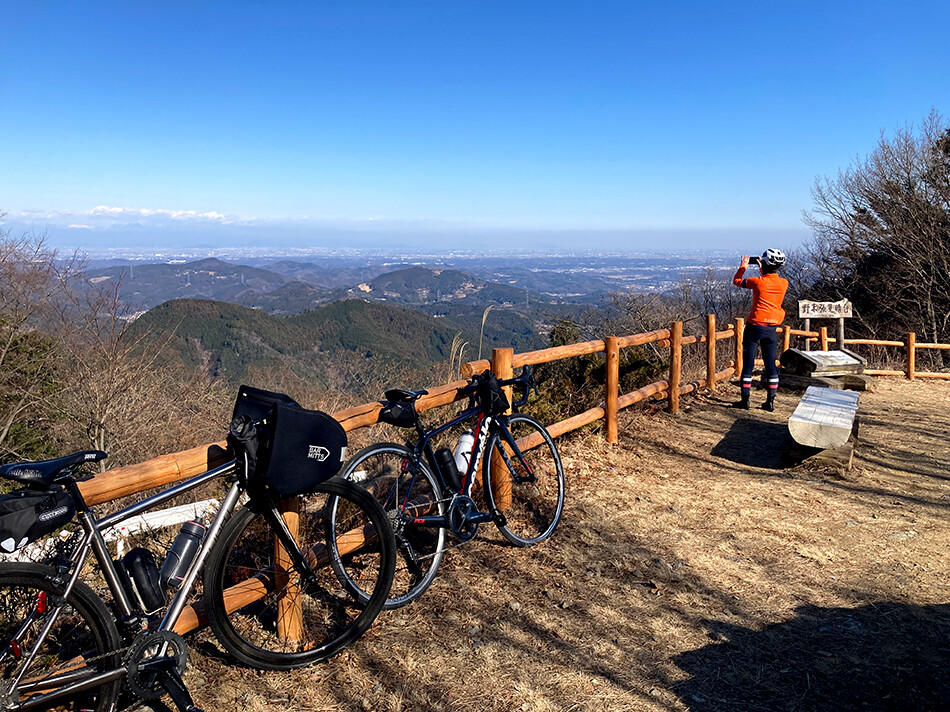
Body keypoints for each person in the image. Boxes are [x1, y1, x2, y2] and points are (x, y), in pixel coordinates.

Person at [732, 248, 788, 411]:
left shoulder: (757, 281)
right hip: (772, 328)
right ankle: (770, 402)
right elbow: (770, 281)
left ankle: (745, 400)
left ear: (763, 263)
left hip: (755, 326)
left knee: (748, 364)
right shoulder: (784, 283)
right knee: (771, 365)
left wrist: (743, 266)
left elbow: (737, 281)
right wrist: (763, 267)